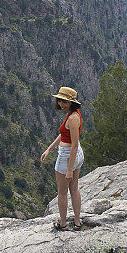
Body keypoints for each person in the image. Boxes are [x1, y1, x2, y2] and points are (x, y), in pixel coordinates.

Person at [41, 86, 84, 231]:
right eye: (60, 100)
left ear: (72, 102)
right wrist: (49, 149)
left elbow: (73, 145)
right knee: (74, 189)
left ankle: (63, 224)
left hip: (67, 156)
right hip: (76, 155)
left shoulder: (72, 118)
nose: (61, 104)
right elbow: (64, 135)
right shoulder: (73, 114)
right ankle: (77, 222)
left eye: (65, 101)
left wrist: (69, 170)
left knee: (62, 193)